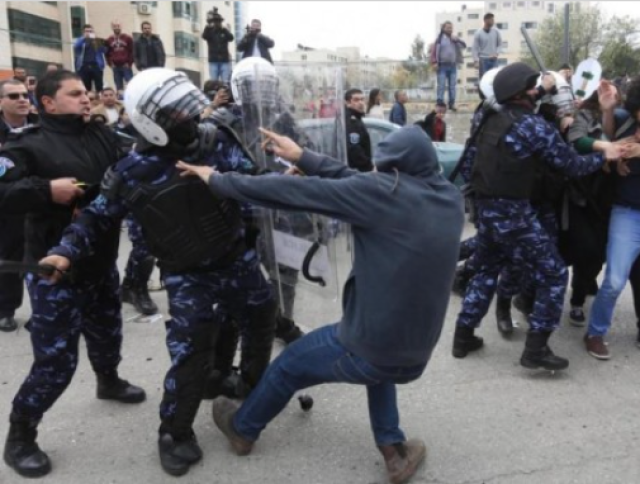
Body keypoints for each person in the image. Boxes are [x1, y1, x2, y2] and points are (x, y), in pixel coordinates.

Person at [177, 124, 464, 484]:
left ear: (393, 173)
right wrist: (303, 157)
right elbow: (358, 181)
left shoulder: (380, 195)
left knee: (288, 366)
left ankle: (242, 429)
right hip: (414, 349)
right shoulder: (448, 195)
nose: (373, 172)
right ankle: (394, 452)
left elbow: (293, 191)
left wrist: (217, 179)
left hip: (371, 345)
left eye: (381, 168)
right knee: (381, 369)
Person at [41, 68, 277, 477]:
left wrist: (283, 182)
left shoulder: (215, 140)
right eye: (178, 113)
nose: (190, 118)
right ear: (153, 121)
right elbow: (94, 219)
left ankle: (250, 393)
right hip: (189, 276)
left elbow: (251, 179)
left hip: (238, 260)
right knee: (191, 353)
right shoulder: (132, 169)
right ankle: (175, 433)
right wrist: (64, 251)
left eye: (189, 110)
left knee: (262, 322)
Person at [0, 70, 145, 479]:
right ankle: (21, 435)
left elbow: (128, 174)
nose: (87, 98)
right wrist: (47, 192)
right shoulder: (24, 145)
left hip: (100, 263)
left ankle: (109, 381)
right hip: (53, 272)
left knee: (107, 333)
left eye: (87, 92)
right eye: (76, 93)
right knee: (56, 364)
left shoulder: (101, 135)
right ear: (48, 103)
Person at [452, 63, 627, 371]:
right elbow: (570, 164)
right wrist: (605, 155)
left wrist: (547, 88)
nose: (540, 90)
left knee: (486, 271)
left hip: (487, 210)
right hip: (514, 214)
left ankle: (463, 335)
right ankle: (536, 349)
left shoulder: (487, 117)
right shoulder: (530, 125)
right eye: (535, 87)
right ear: (524, 93)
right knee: (554, 272)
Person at [585, 77, 640, 359]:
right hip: (627, 212)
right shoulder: (624, 118)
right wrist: (607, 109)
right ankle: (595, 332)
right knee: (615, 280)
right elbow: (604, 138)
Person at [0, 80, 38, 333]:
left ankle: (43, 312)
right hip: (5, 207)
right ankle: (6, 310)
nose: (22, 99)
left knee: (42, 261)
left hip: (38, 205)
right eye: (14, 96)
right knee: (8, 261)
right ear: (1, 101)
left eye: (25, 95)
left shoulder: (40, 128)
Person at [430, 21, 466, 111]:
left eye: (451, 27)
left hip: (453, 66)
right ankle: (440, 103)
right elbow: (433, 52)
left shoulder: (454, 39)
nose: (450, 29)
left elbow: (464, 46)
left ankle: (452, 104)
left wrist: (457, 40)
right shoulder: (439, 39)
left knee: (452, 86)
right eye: (448, 27)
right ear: (443, 29)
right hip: (442, 66)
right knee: (441, 85)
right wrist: (434, 62)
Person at [202, 8, 234, 83]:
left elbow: (231, 38)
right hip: (213, 61)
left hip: (224, 61)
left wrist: (225, 29)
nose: (217, 23)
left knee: (225, 82)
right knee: (214, 82)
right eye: (215, 21)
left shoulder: (224, 31)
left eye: (219, 21)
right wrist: (208, 26)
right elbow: (204, 36)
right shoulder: (209, 31)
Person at [344, 88, 373, 172]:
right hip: (358, 171)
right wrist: (369, 167)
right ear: (347, 103)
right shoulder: (352, 121)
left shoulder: (355, 117)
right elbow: (354, 150)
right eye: (356, 100)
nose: (360, 103)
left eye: (362, 99)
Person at [73, 24, 107, 93]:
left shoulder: (97, 40)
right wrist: (84, 38)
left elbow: (104, 50)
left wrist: (97, 41)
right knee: (86, 86)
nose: (89, 33)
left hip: (96, 65)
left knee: (99, 85)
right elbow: (76, 46)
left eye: (90, 31)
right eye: (87, 31)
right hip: (84, 65)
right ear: (83, 32)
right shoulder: (80, 40)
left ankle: (99, 99)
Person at [105, 21, 134, 91]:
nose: (117, 28)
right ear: (112, 28)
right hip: (115, 67)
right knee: (118, 86)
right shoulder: (109, 40)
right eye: (115, 26)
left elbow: (132, 51)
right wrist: (110, 64)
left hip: (126, 66)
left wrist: (129, 63)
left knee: (131, 84)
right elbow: (107, 53)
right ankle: (120, 99)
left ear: (121, 27)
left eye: (118, 26)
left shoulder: (128, 38)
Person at [472, 13, 502, 80]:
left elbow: (500, 44)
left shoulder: (496, 31)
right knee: (483, 79)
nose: (493, 21)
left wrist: (496, 53)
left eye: (493, 19)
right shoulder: (478, 33)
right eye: (491, 19)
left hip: (494, 60)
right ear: (485, 20)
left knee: (494, 79)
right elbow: (475, 48)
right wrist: (476, 61)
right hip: (483, 60)